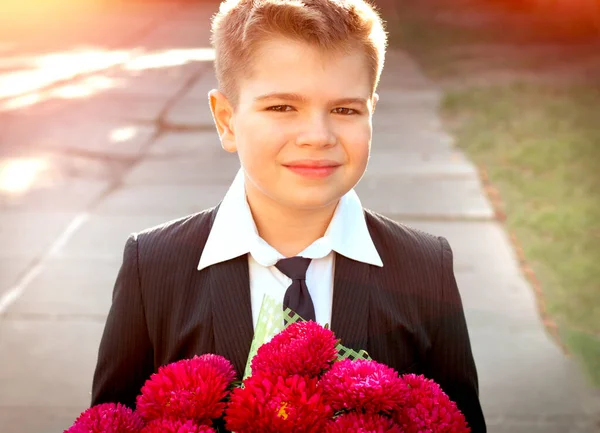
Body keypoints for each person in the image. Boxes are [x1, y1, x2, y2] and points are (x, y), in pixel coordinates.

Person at [91, 0, 487, 431]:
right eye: (282, 107)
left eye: (345, 109)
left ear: (371, 111)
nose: (317, 136)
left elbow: (457, 419)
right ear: (226, 120)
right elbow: (111, 420)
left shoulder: (425, 267)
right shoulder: (152, 266)